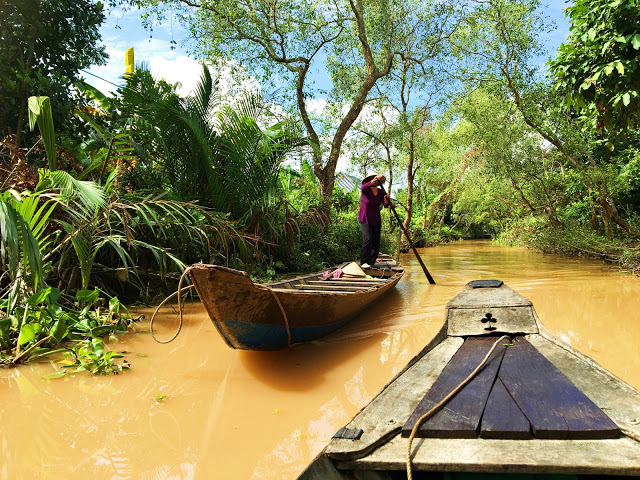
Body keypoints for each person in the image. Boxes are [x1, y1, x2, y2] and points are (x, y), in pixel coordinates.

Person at [358, 173, 390, 268]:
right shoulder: (366, 190)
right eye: (374, 180)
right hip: (365, 218)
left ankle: (371, 262)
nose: (376, 181)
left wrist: (387, 200)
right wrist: (372, 181)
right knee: (367, 239)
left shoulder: (381, 192)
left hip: (376, 219)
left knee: (375, 241)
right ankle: (364, 262)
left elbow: (386, 205)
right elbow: (362, 188)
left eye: (378, 180)